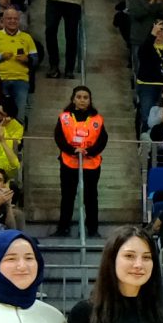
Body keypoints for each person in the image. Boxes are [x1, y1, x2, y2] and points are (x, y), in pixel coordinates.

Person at [53, 85, 106, 239]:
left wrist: (89, 151)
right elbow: (59, 137)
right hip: (69, 161)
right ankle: (63, 228)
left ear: (90, 100)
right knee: (67, 196)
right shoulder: (64, 117)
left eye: (85, 97)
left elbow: (103, 140)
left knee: (91, 197)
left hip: (91, 163)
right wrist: (72, 150)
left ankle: (92, 230)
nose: (82, 100)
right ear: (73, 99)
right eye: (79, 97)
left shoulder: (97, 119)